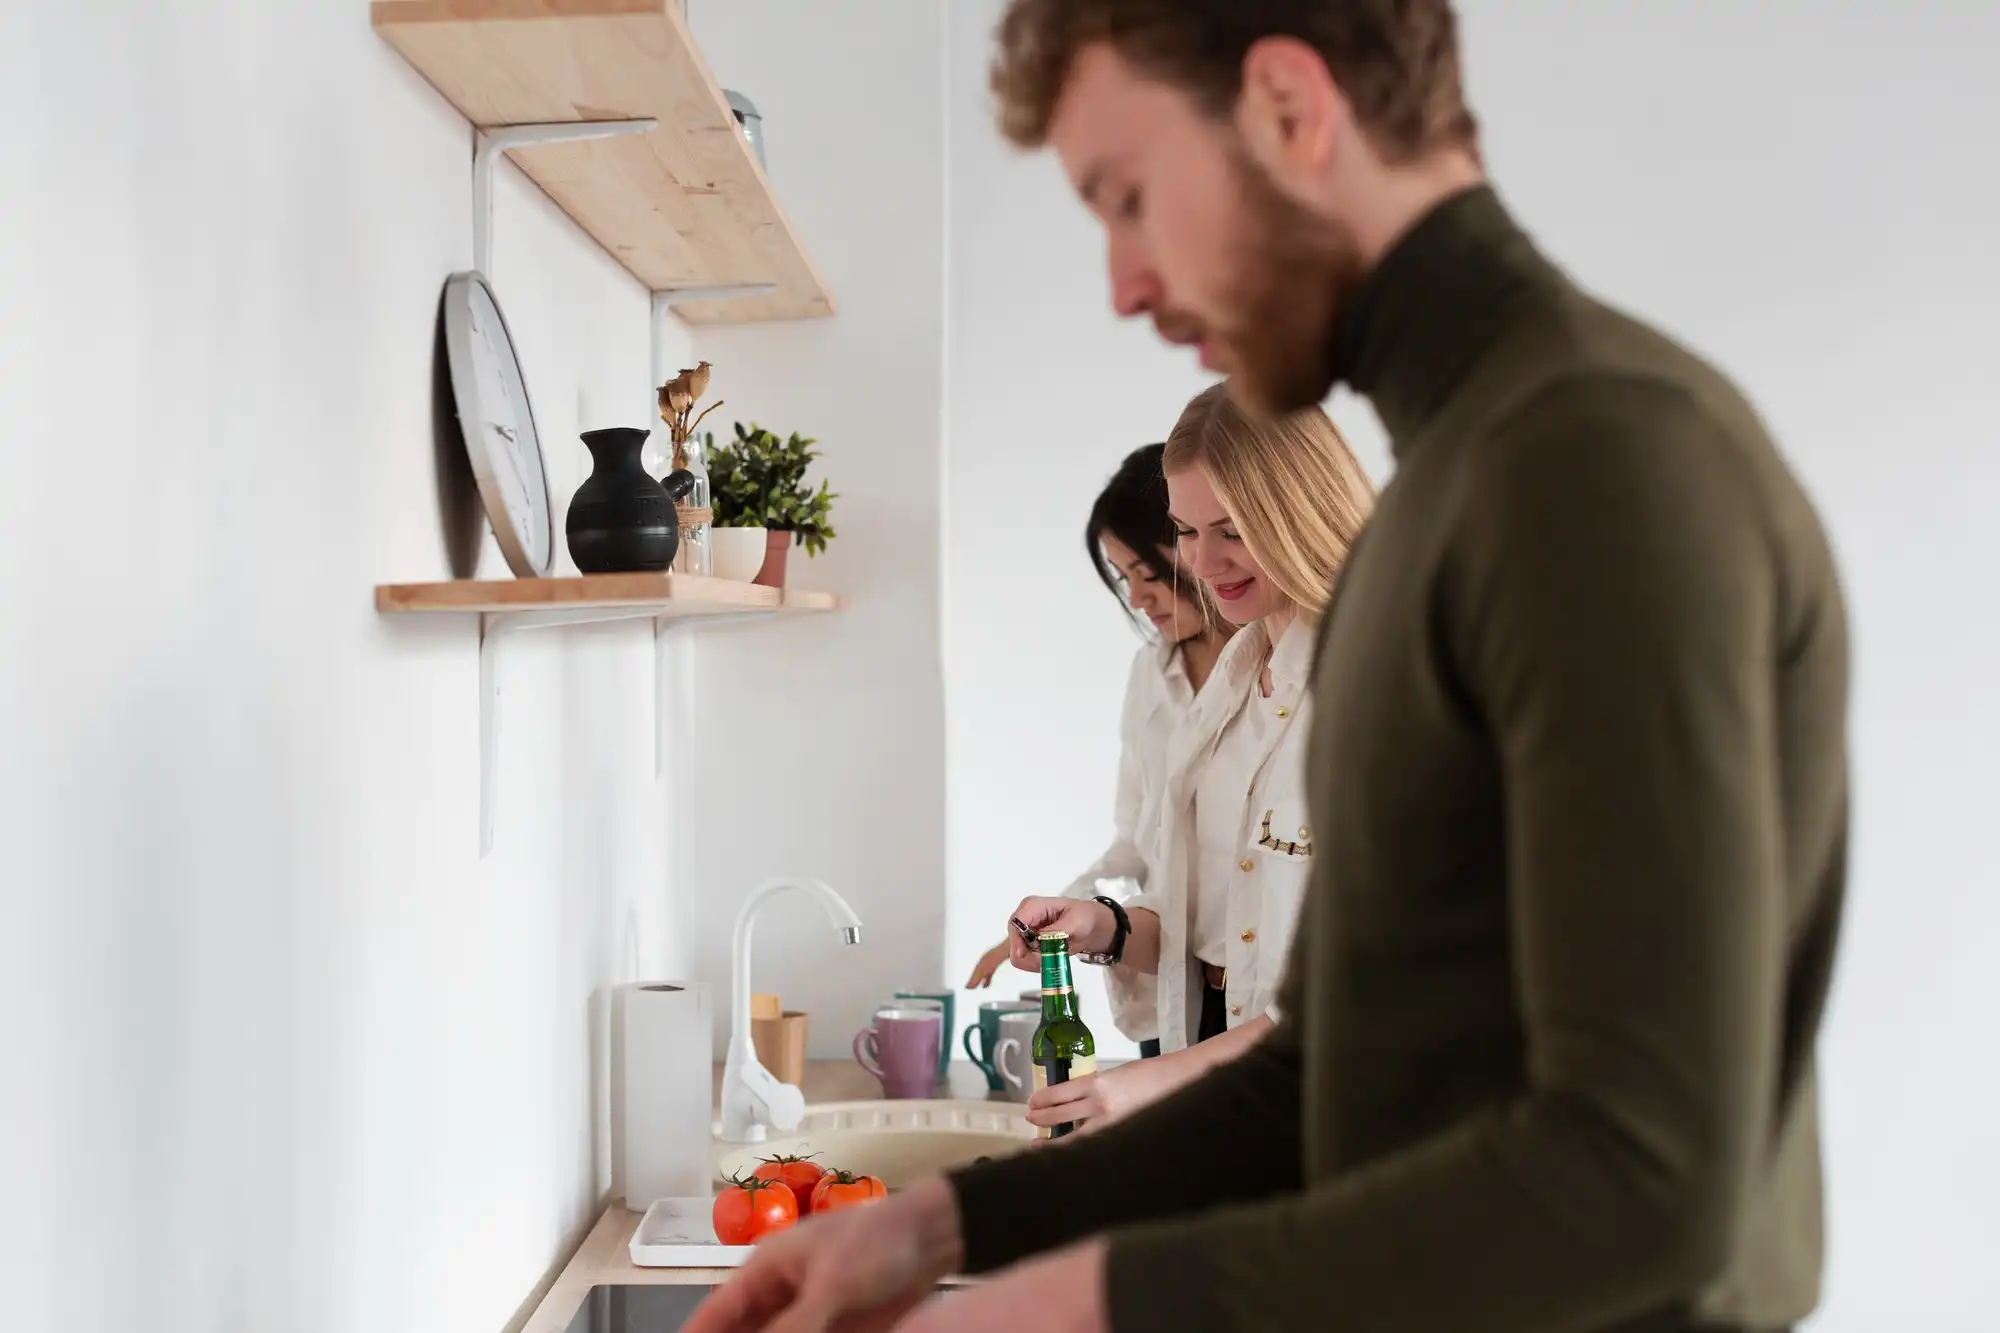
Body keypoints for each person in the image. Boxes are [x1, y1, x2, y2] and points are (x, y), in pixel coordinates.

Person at [687, 5, 1849, 1333]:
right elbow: (1328, 1075)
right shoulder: (1454, 497)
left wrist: (1055, 1306)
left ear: (1290, 107)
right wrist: (948, 1223)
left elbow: (1645, 1181)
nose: (1122, 281)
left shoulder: (1592, 468)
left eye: (1128, 198)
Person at [1007, 383, 1371, 1135]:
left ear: (1299, 512)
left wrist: (1149, 1084)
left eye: (1230, 530)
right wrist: (1103, 926)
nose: (1202, 562)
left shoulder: (1382, 685)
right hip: (1222, 1074)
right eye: (1185, 530)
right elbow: (1209, 925)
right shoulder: (1236, 685)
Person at [962, 442, 1231, 1059]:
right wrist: (1062, 924)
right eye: (1123, 579)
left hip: (1258, 991)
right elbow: (1137, 841)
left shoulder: (1282, 671)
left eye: (1147, 571)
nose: (1138, 599)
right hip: (1169, 980)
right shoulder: (1150, 673)